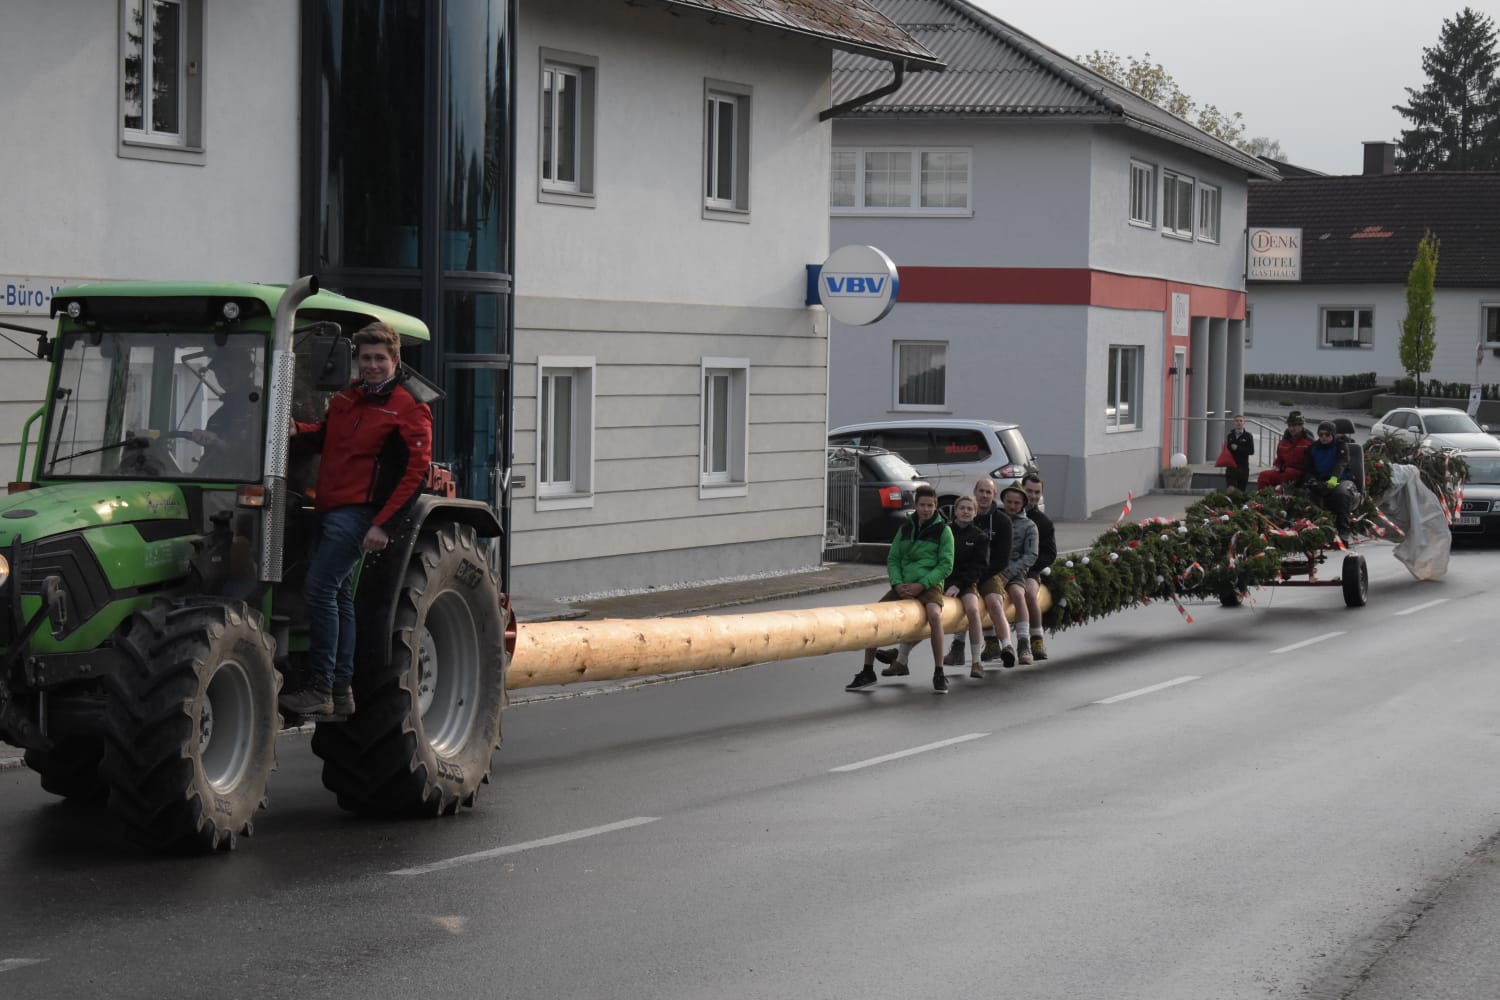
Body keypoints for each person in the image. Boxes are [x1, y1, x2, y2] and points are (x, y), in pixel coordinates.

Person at [279, 322, 434, 716]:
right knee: (339, 596)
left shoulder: (409, 407)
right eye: (366, 358)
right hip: (328, 508)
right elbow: (327, 438)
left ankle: (320, 686)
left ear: (395, 360)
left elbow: (415, 473)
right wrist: (298, 430)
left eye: (380, 358)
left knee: (319, 589)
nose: (372, 365)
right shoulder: (348, 397)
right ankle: (340, 690)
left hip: (359, 514)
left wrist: (384, 523)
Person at [846, 485, 954, 694]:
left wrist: (922, 584)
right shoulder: (905, 528)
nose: (926, 509)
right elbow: (893, 559)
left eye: (930, 506)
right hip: (903, 584)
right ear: (916, 505)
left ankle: (939, 672)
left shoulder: (944, 531)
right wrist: (897, 584)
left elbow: (945, 565)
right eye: (922, 505)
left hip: (928, 584)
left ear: (935, 506)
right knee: (875, 615)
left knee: (934, 615)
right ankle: (867, 670)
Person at [875, 495, 991, 681]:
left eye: (970, 509)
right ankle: (901, 659)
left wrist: (959, 585)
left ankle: (976, 661)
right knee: (923, 614)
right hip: (941, 581)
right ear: (955, 511)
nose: (965, 512)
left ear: (975, 513)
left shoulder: (980, 536)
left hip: (965, 583)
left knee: (972, 609)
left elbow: (978, 566)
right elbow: (937, 563)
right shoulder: (944, 530)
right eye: (962, 508)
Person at [190, 346, 264, 480]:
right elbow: (209, 459)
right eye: (219, 372)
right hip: (218, 482)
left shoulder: (261, 406)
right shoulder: (218, 416)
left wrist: (217, 442)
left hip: (247, 484)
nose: (224, 377)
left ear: (246, 370)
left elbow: (254, 458)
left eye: (230, 370)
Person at [997, 482, 1039, 664]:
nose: (1012, 506)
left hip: (1016, 572)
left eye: (1016, 503)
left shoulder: (1029, 526)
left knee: (1017, 594)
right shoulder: (996, 520)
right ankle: (990, 643)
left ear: (1022, 504)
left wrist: (1008, 573)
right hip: (994, 571)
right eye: (1009, 502)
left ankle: (1023, 643)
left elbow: (1031, 555)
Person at [1020, 473, 1055, 662]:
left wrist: (1030, 567)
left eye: (1037, 492)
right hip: (1005, 571)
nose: (1032, 496)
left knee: (1030, 594)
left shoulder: (1044, 522)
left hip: (1030, 571)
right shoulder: (1006, 515)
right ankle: (991, 640)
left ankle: (1036, 640)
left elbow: (1050, 553)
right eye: (1029, 491)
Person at [1304, 420, 1357, 542]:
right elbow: (1308, 468)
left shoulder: (1340, 447)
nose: (1324, 437)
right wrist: (1312, 480)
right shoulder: (1313, 448)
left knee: (1341, 494)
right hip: (1321, 480)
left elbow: (1341, 463)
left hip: (1341, 480)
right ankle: (1315, 528)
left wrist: (1334, 478)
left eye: (1327, 434)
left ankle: (1343, 529)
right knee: (1309, 493)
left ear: (1332, 435)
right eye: (1321, 434)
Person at [1256, 411, 1313, 489]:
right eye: (1289, 425)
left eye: (1294, 425)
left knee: (1290, 473)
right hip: (1284, 472)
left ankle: (1280, 490)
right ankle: (1261, 495)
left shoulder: (1307, 443)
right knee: (1264, 475)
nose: (1291, 428)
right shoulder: (1283, 443)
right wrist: (1276, 466)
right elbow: (1279, 459)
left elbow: (1309, 465)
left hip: (1299, 475)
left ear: (1301, 426)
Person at [1224, 413, 1255, 492]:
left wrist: (1238, 448)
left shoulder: (1248, 436)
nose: (1239, 422)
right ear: (1234, 422)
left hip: (1243, 467)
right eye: (1237, 421)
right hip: (1231, 467)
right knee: (1230, 489)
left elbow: (1251, 451)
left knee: (1241, 491)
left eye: (1241, 421)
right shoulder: (1230, 436)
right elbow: (1227, 450)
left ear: (1244, 423)